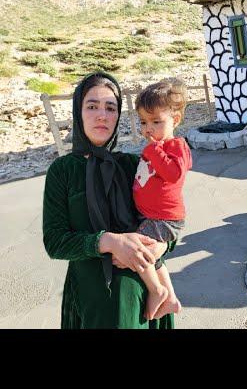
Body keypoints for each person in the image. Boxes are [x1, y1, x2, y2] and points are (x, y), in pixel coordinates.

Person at [42, 72, 176, 328]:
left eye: (110, 107)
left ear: (118, 115)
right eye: (92, 106)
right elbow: (55, 242)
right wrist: (107, 241)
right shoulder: (63, 170)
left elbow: (169, 215)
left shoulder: (135, 164)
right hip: (92, 301)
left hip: (145, 299)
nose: (102, 115)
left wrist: (161, 246)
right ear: (78, 112)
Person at [133, 78, 192, 320]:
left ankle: (157, 290)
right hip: (153, 216)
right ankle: (171, 299)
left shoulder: (176, 146)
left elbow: (175, 174)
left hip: (164, 219)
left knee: (139, 251)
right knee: (154, 259)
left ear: (175, 120)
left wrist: (154, 150)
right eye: (144, 122)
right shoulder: (156, 147)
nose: (149, 128)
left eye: (156, 122)